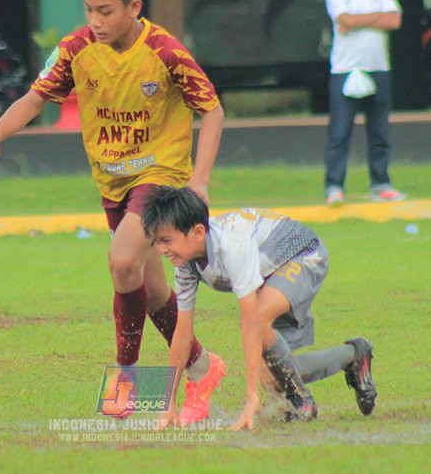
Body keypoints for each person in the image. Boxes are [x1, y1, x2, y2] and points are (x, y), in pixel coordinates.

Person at [0, 0, 227, 422]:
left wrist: (199, 180)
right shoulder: (75, 49)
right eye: (89, 10)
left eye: (105, 11)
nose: (95, 21)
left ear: (134, 6)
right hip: (113, 184)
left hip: (160, 177)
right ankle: (203, 367)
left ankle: (125, 383)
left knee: (123, 259)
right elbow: (35, 97)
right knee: (149, 287)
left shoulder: (165, 51)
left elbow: (213, 111)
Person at [141, 185, 377, 431]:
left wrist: (251, 397)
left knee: (260, 318)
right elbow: (182, 333)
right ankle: (354, 355)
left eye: (166, 241)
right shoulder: (186, 264)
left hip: (303, 255)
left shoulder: (231, 247)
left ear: (199, 232)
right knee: (275, 378)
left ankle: (301, 399)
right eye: (157, 242)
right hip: (270, 276)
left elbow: (252, 320)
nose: (160, 250)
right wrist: (167, 401)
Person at [323, 0, 405, 206]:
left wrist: (357, 20)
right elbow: (345, 21)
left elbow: (394, 21)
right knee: (340, 132)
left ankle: (381, 183)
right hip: (346, 71)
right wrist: (375, 17)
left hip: (377, 69)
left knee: (379, 131)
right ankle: (334, 186)